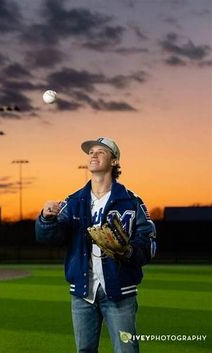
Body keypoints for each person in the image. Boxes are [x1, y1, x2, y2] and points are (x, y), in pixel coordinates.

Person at [35, 137, 156, 353]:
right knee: (85, 351)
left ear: (115, 161)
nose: (93, 154)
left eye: (101, 151)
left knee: (126, 350)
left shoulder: (131, 201)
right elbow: (50, 238)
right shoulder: (73, 202)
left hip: (119, 291)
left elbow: (149, 243)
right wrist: (46, 219)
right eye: (91, 152)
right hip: (83, 292)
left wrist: (128, 251)